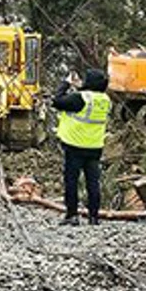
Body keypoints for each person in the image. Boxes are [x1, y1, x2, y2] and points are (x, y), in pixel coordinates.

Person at [51, 68, 111, 226]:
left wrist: (66, 83)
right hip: (95, 147)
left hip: (75, 146)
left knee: (72, 181)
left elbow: (57, 101)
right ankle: (94, 217)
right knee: (93, 183)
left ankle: (72, 215)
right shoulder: (105, 100)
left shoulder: (80, 98)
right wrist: (79, 87)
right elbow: (85, 99)